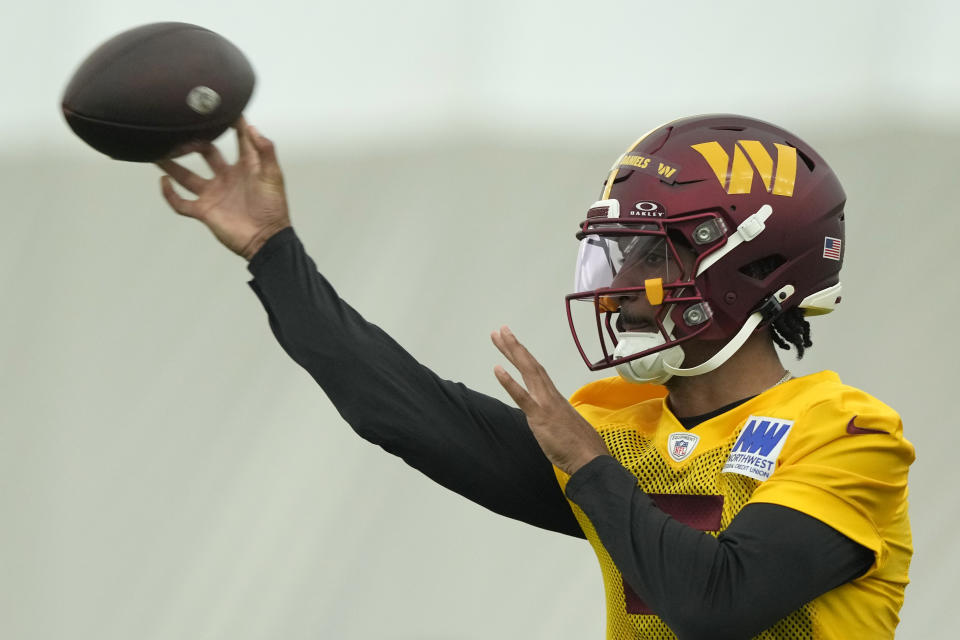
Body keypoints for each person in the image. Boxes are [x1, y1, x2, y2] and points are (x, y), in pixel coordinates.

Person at [156, 114, 913, 639]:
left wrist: (587, 463)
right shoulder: (622, 424)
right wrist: (271, 250)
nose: (620, 283)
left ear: (754, 260)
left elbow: (715, 606)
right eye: (620, 253)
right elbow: (402, 413)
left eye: (653, 253)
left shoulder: (848, 434)